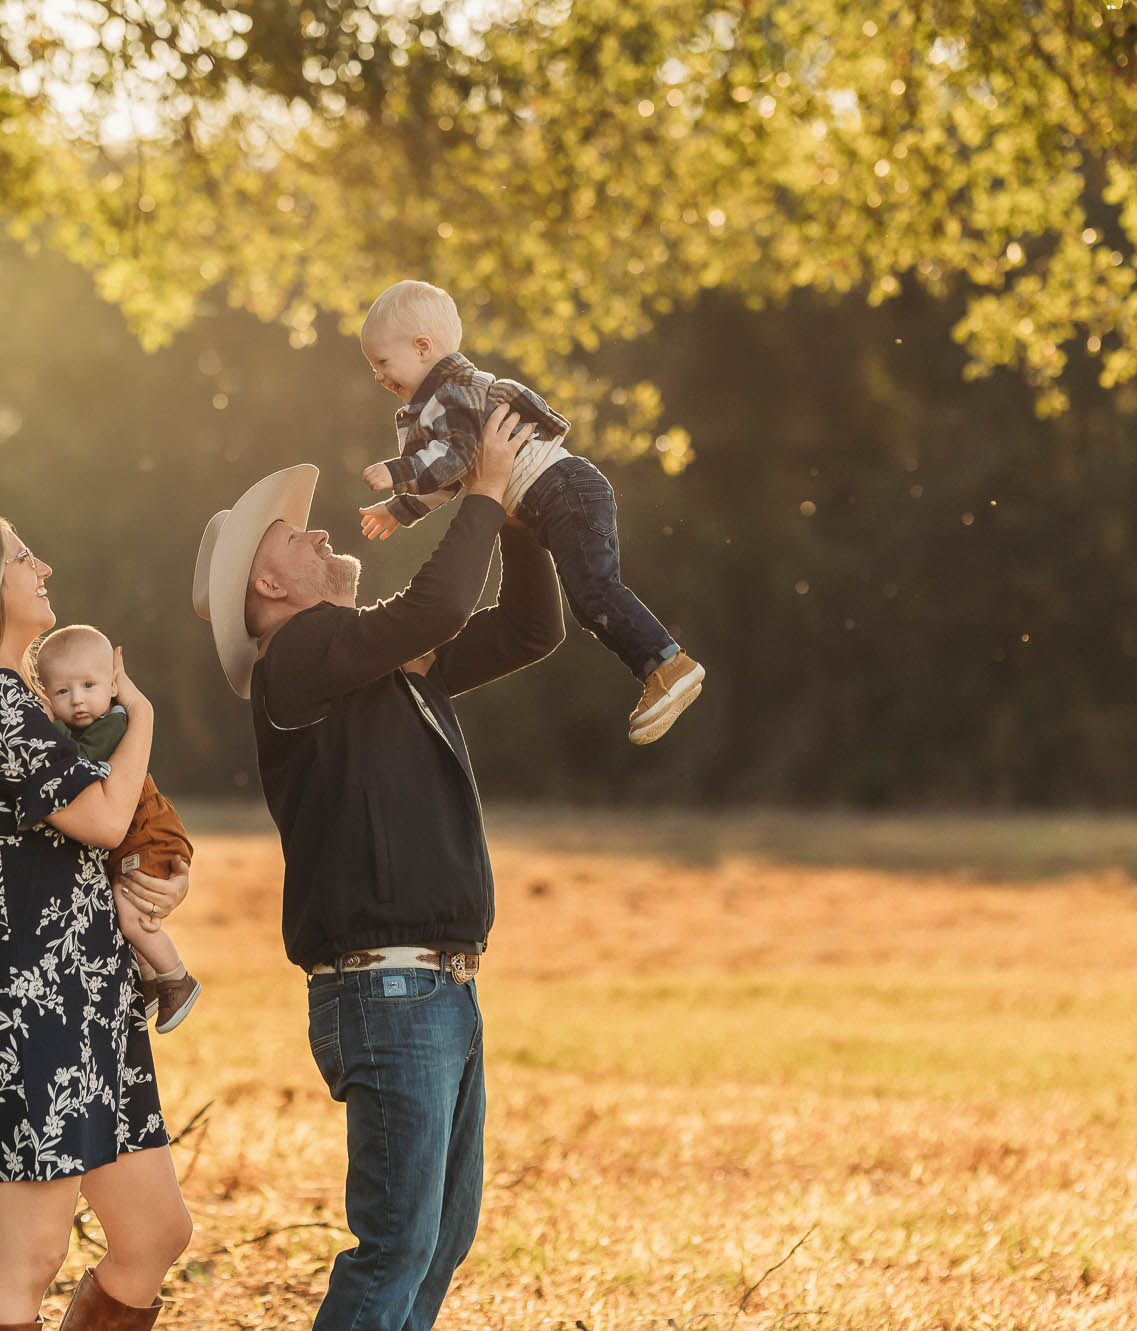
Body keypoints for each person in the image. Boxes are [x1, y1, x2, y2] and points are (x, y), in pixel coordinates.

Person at [190, 406, 565, 1330]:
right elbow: (436, 606)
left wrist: (515, 517)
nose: (321, 533)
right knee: (398, 1244)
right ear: (270, 581)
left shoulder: (381, 665)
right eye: (296, 535)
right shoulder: (298, 657)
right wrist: (479, 489)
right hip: (389, 994)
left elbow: (530, 630)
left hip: (437, 991)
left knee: (438, 1239)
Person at [0, 516, 193, 1331]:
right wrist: (143, 712)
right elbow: (101, 815)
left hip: (83, 1004)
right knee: (29, 1257)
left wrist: (161, 871)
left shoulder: (21, 699)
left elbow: (114, 823)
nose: (43, 565)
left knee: (155, 1233)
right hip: (23, 1014)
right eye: (25, 557)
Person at [356, 278, 706, 745]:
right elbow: (450, 478)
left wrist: (398, 472)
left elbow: (455, 461)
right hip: (550, 500)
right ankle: (661, 665)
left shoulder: (453, 394)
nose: (378, 376)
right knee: (587, 595)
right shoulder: (435, 408)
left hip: (563, 490)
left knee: (592, 592)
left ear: (423, 348)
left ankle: (666, 665)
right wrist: (399, 509)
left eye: (381, 362)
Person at [33, 622, 201, 1033]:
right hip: (134, 838)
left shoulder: (113, 723)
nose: (77, 701)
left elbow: (80, 757)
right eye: (62, 692)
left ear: (113, 685)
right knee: (123, 902)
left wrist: (44, 724)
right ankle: (147, 983)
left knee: (131, 915)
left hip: (148, 833)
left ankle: (175, 978)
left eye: (89, 685)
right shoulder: (88, 722)